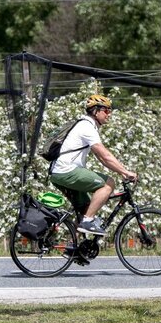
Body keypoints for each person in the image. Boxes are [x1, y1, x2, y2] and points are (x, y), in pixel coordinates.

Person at [48, 94, 137, 236]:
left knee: (86, 208)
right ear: (96, 111)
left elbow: (101, 158)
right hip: (66, 171)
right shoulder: (87, 127)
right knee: (108, 184)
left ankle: (74, 249)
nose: (109, 114)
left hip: (58, 173)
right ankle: (88, 221)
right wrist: (125, 172)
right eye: (107, 111)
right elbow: (105, 155)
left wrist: (120, 170)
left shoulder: (86, 125)